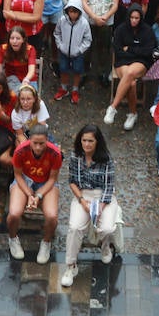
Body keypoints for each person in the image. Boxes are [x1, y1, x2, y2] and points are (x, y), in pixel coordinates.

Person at [60, 123, 118, 288]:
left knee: (107, 228)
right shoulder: (75, 156)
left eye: (90, 141)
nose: (87, 144)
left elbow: (109, 186)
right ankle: (70, 266)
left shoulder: (107, 159)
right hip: (82, 195)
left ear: (97, 142)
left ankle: (106, 247)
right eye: (84, 140)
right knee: (74, 227)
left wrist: (102, 205)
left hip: (103, 196)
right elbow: (72, 181)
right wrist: (82, 200)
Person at [6, 123, 62, 264]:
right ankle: (12, 237)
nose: (38, 147)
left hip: (46, 182)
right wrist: (29, 194)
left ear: (47, 141)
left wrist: (38, 195)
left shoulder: (55, 153)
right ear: (29, 140)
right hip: (25, 180)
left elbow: (52, 178)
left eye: (41, 143)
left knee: (52, 215)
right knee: (14, 213)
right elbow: (17, 175)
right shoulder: (20, 151)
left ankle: (46, 241)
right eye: (35, 143)